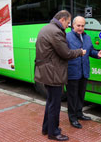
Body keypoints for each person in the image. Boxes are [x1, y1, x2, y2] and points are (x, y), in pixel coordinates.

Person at [34, 10, 86, 141]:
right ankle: (54, 132)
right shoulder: (56, 32)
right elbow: (66, 53)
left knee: (50, 102)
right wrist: (80, 52)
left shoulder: (46, 28)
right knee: (55, 104)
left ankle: (46, 128)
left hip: (46, 71)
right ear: (62, 19)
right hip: (53, 73)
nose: (68, 25)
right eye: (68, 22)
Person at [66, 16, 101, 129]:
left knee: (81, 95)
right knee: (72, 96)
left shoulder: (87, 37)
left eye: (82, 26)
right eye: (78, 25)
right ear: (73, 25)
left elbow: (90, 51)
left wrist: (97, 54)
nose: (80, 28)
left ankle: (79, 113)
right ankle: (72, 118)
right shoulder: (67, 37)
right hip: (72, 72)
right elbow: (65, 53)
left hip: (84, 71)